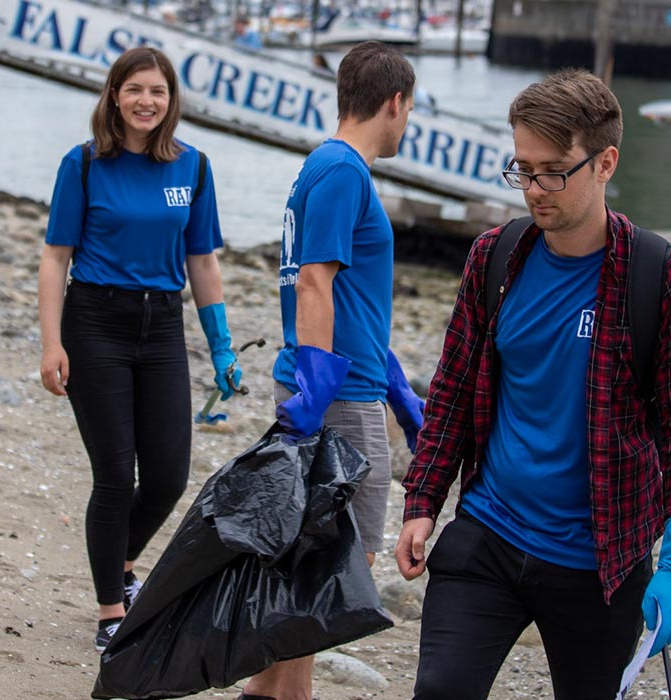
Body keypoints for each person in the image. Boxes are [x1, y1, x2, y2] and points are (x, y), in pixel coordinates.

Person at [392, 69, 671, 698]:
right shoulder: (494, 259)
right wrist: (422, 501)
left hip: (601, 560)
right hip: (488, 534)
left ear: (605, 163)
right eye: (523, 169)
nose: (535, 189)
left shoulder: (663, 280)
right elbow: (454, 389)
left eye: (554, 170)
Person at [36, 46, 238, 653]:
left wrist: (222, 346)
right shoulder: (83, 166)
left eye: (158, 91)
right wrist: (51, 344)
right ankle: (109, 611)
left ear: (171, 100)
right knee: (115, 478)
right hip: (95, 322)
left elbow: (202, 261)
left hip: (163, 326)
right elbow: (55, 257)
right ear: (114, 96)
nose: (147, 101)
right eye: (135, 90)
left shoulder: (194, 167)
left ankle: (118, 563)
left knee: (171, 476)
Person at [242, 41, 421, 700]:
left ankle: (272, 693)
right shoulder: (345, 172)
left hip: (346, 384)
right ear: (395, 102)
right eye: (408, 110)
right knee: (339, 572)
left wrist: (399, 390)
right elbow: (314, 282)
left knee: (315, 569)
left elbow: (346, 301)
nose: (407, 124)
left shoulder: (321, 166)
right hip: (338, 397)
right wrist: (319, 392)